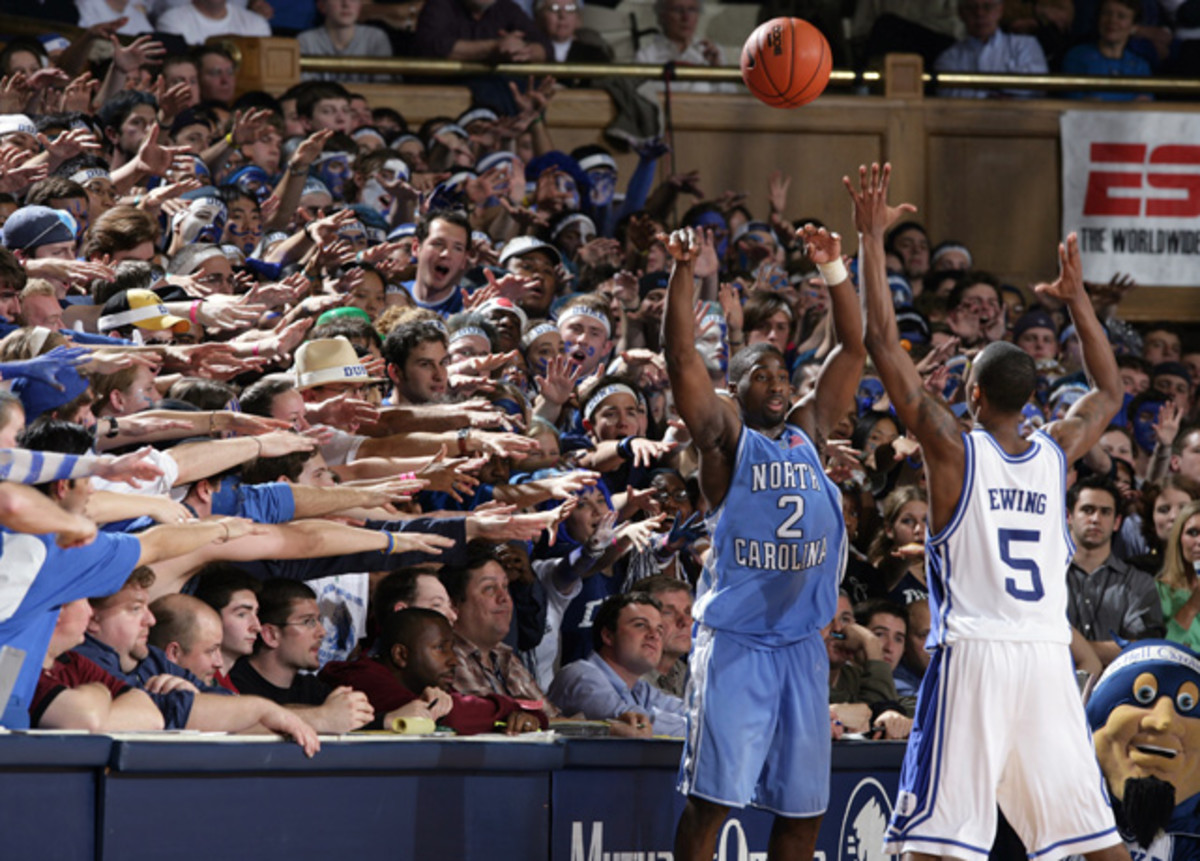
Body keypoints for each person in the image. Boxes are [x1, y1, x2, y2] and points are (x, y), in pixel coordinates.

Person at [851, 162, 1128, 860]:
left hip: (974, 656)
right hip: (1044, 657)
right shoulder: (1056, 451)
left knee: (933, 843)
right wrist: (1076, 302)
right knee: (1094, 842)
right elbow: (1111, 389)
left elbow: (883, 345)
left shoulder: (952, 449)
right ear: (1032, 397)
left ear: (972, 394)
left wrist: (870, 239)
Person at [662, 217, 864, 859]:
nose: (778, 384)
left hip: (803, 649)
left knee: (804, 815)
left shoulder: (810, 429)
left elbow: (853, 349)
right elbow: (680, 358)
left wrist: (834, 268)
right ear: (736, 389)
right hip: (739, 647)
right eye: (762, 377)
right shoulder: (726, 441)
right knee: (713, 805)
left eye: (783, 375)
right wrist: (682, 270)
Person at [320, 607, 546, 734]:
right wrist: (509, 710)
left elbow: (540, 717)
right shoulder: (364, 679)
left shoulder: (421, 687)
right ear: (401, 655)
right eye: (440, 648)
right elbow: (452, 716)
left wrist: (526, 717)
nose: (454, 661)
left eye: (453, 649)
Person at [548, 592, 687, 737]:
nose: (654, 635)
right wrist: (705, 727)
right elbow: (638, 725)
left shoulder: (640, 689)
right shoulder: (581, 676)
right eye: (640, 625)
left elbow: (690, 712)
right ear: (608, 636)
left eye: (660, 629)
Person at [1066, 475, 1164, 665]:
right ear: (1068, 516)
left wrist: (1070, 649)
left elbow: (1142, 649)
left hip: (1116, 690)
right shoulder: (1046, 577)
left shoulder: (1139, 583)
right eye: (1087, 510)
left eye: (1105, 512)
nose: (1095, 519)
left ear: (1117, 522)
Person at [935, 0, 1049, 98]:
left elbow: (1037, 85)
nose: (979, 13)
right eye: (971, 8)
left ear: (1000, 10)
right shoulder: (948, 57)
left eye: (987, 7)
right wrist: (1001, 91)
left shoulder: (1025, 45)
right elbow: (949, 96)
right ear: (961, 13)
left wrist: (978, 91)